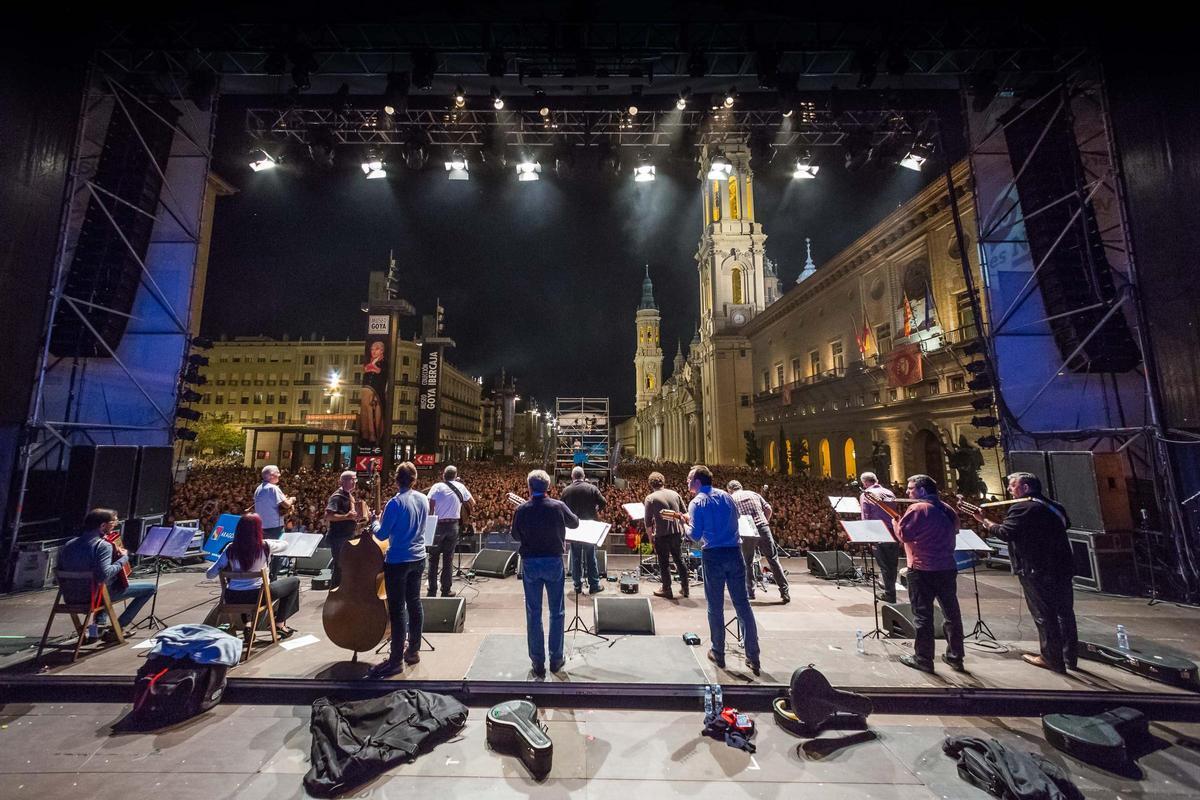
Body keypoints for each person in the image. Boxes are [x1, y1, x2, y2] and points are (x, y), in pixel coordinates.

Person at [969, 472, 1077, 673]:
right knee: (1065, 613)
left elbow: (1005, 533)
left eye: (1012, 485)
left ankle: (1051, 658)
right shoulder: (1055, 506)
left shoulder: (1022, 508)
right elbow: (1064, 525)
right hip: (1062, 567)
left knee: (1044, 615)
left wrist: (985, 521)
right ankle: (1069, 657)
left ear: (1026, 488)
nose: (1009, 489)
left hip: (1037, 568)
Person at [681, 465, 761, 675]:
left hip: (714, 555)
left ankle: (718, 652)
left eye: (689, 479)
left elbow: (696, 536)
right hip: (734, 552)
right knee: (742, 604)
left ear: (697, 481)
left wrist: (684, 523)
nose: (687, 482)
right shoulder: (727, 496)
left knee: (715, 606)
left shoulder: (696, 502)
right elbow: (734, 520)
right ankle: (753, 656)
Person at [511, 469, 579, 678]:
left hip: (531, 563)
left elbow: (515, 535)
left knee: (533, 612)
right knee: (556, 612)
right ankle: (556, 659)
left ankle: (537, 662)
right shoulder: (558, 506)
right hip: (553, 562)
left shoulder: (522, 509)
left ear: (529, 487)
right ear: (549, 487)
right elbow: (575, 522)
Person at [895, 474, 965, 673]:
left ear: (922, 491)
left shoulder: (918, 508)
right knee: (952, 613)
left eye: (910, 489)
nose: (908, 492)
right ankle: (955, 657)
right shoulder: (948, 509)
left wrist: (895, 522)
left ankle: (923, 658)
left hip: (922, 568)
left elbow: (903, 535)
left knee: (923, 615)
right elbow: (956, 530)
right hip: (947, 567)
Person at [368, 462, 429, 678]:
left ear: (396, 480)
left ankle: (395, 661)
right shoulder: (423, 499)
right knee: (415, 603)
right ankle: (413, 651)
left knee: (397, 609)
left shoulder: (394, 504)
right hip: (419, 557)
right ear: (414, 479)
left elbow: (382, 535)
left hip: (399, 560)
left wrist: (374, 522)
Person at [59, 508, 157, 640]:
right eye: (113, 523)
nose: (115, 526)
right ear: (103, 526)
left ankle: (95, 632)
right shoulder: (103, 545)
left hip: (70, 596)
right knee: (150, 588)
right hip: (94, 597)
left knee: (105, 588)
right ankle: (117, 628)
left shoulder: (69, 544)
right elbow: (103, 575)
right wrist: (123, 558)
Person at [206, 513, 300, 639]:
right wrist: (266, 540)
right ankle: (279, 624)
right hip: (258, 596)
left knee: (245, 590)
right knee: (294, 582)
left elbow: (210, 575)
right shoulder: (265, 546)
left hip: (232, 597)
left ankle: (248, 626)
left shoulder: (230, 548)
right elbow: (285, 544)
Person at [727, 480, 790, 603]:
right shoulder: (754, 494)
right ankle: (784, 592)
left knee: (747, 562)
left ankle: (750, 592)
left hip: (747, 530)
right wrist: (765, 522)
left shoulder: (731, 498)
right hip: (762, 527)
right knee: (773, 559)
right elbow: (768, 508)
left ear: (730, 489)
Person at [426, 465, 475, 597]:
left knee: (433, 558)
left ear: (443, 475)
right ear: (455, 475)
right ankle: (446, 590)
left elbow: (430, 503)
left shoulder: (436, 487)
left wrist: (430, 519)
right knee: (448, 559)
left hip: (437, 525)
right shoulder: (461, 487)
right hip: (453, 525)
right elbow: (472, 502)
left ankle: (431, 590)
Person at [560, 466, 607, 595]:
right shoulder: (592, 488)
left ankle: (577, 585)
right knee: (591, 556)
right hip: (590, 527)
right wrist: (595, 510)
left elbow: (562, 508)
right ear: (584, 476)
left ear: (572, 477)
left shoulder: (566, 491)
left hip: (574, 527)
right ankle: (594, 585)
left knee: (575, 557)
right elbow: (603, 502)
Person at [644, 471, 689, 600]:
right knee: (679, 559)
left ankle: (667, 589)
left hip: (662, 535)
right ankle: (685, 588)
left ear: (650, 483)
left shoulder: (650, 498)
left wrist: (650, 537)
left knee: (664, 563)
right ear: (663, 481)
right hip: (676, 533)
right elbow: (685, 514)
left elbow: (647, 522)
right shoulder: (675, 494)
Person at [860, 471, 900, 604]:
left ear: (865, 483)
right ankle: (890, 588)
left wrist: (868, 538)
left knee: (884, 565)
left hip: (878, 532)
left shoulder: (866, 495)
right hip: (893, 531)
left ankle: (890, 594)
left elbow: (866, 517)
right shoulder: (890, 492)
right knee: (892, 564)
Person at [253, 465, 295, 579]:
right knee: (277, 552)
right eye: (277, 472)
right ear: (271, 475)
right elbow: (286, 504)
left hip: (261, 526)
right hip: (274, 527)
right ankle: (273, 577)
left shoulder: (259, 488)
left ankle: (263, 575)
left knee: (264, 552)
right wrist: (292, 499)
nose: (280, 475)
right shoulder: (273, 488)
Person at [323, 470, 362, 589]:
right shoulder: (337, 497)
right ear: (343, 481)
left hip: (347, 535)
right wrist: (347, 516)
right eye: (352, 479)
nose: (355, 482)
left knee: (346, 565)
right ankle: (335, 592)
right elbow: (328, 516)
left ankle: (343, 592)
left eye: (355, 479)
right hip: (338, 537)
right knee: (340, 566)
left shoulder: (349, 496)